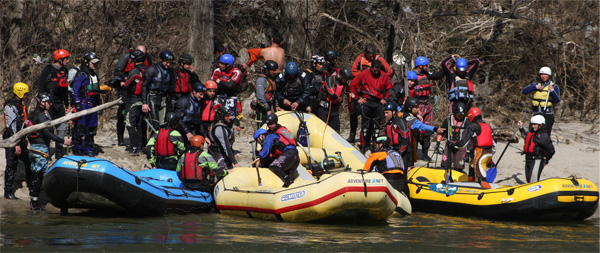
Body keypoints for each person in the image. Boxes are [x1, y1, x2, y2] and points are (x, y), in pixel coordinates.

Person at [27, 93, 72, 210]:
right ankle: (34, 204)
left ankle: (34, 201)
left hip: (34, 148)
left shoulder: (34, 113)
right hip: (40, 149)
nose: (51, 104)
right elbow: (47, 133)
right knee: (37, 176)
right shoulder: (40, 115)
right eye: (48, 102)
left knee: (36, 175)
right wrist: (63, 141)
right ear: (42, 102)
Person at [349, 60, 393, 154]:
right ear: (371, 68)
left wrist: (385, 99)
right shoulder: (364, 74)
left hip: (378, 103)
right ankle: (363, 145)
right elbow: (352, 85)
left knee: (376, 127)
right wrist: (357, 98)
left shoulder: (384, 75)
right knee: (365, 126)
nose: (376, 72)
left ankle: (374, 146)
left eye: (378, 70)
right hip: (366, 102)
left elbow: (389, 88)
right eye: (374, 70)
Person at [113, 45, 153, 146]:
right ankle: (121, 139)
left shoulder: (145, 62)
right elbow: (117, 71)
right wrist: (125, 78)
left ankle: (139, 144)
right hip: (129, 91)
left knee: (138, 121)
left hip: (137, 94)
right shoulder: (126, 58)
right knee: (122, 116)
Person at [409, 56, 444, 161]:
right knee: (415, 130)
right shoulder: (412, 76)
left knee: (428, 131)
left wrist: (447, 67)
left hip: (427, 103)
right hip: (417, 104)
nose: (427, 67)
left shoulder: (427, 74)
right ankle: (413, 153)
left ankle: (425, 154)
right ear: (420, 66)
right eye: (426, 65)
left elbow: (438, 75)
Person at [38, 49, 70, 159]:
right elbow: (41, 87)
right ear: (59, 59)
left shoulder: (65, 71)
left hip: (59, 104)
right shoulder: (48, 70)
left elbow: (65, 90)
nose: (68, 61)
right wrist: (42, 103)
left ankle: (59, 153)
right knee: (48, 129)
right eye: (66, 59)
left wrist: (66, 105)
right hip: (48, 104)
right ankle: (46, 152)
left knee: (62, 128)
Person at [452, 107, 496, 187]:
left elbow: (462, 144)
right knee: (472, 165)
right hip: (489, 154)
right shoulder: (487, 126)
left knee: (481, 176)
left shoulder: (472, 126)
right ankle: (470, 184)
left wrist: (452, 144)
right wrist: (491, 159)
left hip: (480, 154)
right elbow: (494, 144)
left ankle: (486, 192)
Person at [3, 82, 32, 199]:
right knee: (11, 165)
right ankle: (8, 192)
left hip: (21, 137)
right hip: (12, 139)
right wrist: (16, 144)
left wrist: (25, 139)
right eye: (25, 94)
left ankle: (31, 185)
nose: (26, 96)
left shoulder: (21, 105)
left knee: (28, 161)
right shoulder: (10, 106)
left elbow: (23, 124)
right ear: (20, 93)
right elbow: (12, 127)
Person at [71, 52, 101, 156]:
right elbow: (75, 91)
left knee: (92, 128)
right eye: (93, 63)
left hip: (93, 106)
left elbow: (97, 92)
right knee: (80, 128)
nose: (95, 65)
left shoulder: (95, 75)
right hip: (83, 104)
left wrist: (99, 104)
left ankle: (89, 149)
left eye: (96, 63)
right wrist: (77, 103)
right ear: (87, 63)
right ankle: (77, 148)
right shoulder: (81, 75)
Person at [403, 97, 443, 169]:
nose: (418, 109)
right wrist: (436, 129)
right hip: (406, 142)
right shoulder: (410, 118)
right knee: (408, 161)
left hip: (402, 141)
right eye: (415, 107)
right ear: (409, 108)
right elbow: (422, 126)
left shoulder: (401, 113)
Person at [122, 49, 148, 155]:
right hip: (144, 101)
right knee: (140, 124)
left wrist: (121, 84)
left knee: (129, 123)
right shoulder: (148, 70)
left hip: (133, 100)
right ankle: (142, 146)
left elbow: (127, 85)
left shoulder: (134, 71)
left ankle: (134, 147)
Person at [142, 50, 175, 132]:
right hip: (153, 97)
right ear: (161, 60)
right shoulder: (152, 69)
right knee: (155, 124)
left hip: (164, 98)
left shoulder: (171, 72)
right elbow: (144, 86)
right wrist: (144, 103)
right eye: (166, 62)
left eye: (170, 62)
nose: (168, 64)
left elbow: (172, 87)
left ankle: (161, 142)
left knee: (163, 123)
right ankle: (152, 142)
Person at [522, 67, 560, 135]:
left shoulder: (554, 86)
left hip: (547, 114)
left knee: (545, 134)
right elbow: (524, 91)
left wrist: (552, 90)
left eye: (545, 74)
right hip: (536, 113)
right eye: (542, 74)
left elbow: (557, 100)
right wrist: (535, 87)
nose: (543, 76)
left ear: (549, 75)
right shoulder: (536, 84)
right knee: (531, 133)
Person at [517, 115, 555, 183]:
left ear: (541, 125)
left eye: (535, 124)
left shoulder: (543, 136)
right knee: (529, 180)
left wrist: (545, 160)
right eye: (532, 124)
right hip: (528, 159)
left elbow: (551, 150)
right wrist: (521, 128)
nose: (533, 126)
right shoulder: (532, 132)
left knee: (533, 181)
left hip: (537, 160)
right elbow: (527, 138)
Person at [437, 102, 470, 173]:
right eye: (458, 115)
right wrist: (438, 142)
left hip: (461, 147)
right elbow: (441, 132)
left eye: (462, 115)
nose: (460, 117)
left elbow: (470, 137)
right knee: (445, 165)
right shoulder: (448, 120)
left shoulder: (467, 122)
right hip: (449, 145)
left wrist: (468, 151)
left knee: (459, 167)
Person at [317, 68, 353, 132]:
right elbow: (331, 94)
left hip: (334, 109)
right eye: (345, 79)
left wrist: (353, 97)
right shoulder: (330, 79)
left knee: (336, 130)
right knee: (323, 130)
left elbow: (348, 92)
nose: (346, 81)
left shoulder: (344, 83)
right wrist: (340, 100)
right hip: (324, 108)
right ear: (341, 76)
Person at [382, 102, 411, 170]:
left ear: (394, 112)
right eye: (385, 113)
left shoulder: (400, 122)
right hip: (392, 150)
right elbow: (385, 136)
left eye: (387, 113)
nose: (385, 115)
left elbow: (405, 139)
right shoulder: (389, 123)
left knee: (402, 173)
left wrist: (399, 153)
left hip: (403, 152)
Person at [254, 60, 278, 129]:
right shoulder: (261, 80)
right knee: (262, 126)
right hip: (262, 108)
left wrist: (276, 105)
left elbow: (274, 94)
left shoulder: (270, 79)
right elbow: (260, 96)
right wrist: (267, 109)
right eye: (272, 70)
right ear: (267, 70)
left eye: (275, 70)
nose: (274, 72)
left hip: (269, 106)